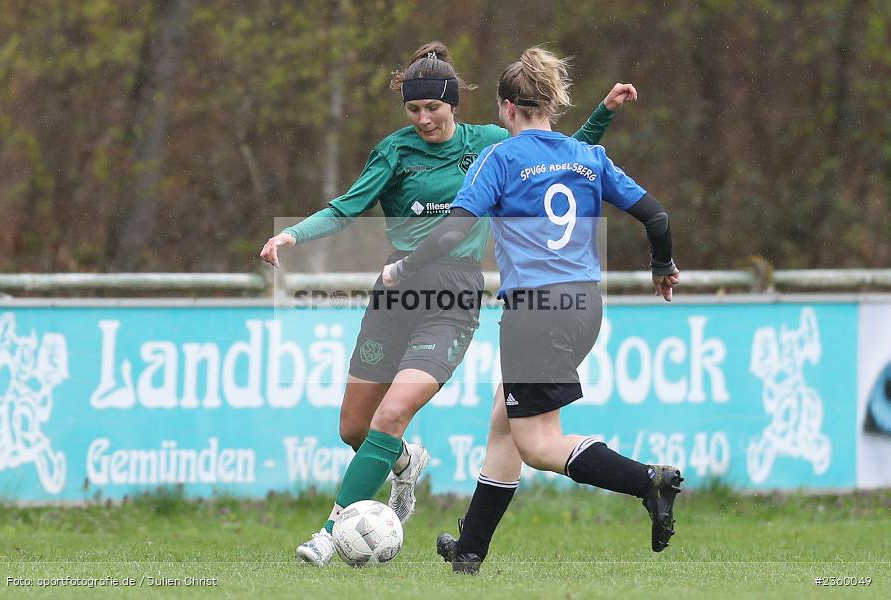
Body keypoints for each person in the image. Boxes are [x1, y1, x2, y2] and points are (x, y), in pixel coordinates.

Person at [259, 40, 637, 566]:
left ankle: (329, 532)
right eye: (414, 110)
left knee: (392, 414)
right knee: (354, 429)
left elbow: (561, 159)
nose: (424, 119)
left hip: (452, 297)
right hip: (394, 296)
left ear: (454, 104)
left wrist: (602, 114)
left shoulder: (488, 143)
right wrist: (291, 238)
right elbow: (346, 208)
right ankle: (406, 462)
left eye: (432, 108)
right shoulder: (394, 151)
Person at [382, 46, 682, 574]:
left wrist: (405, 266)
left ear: (505, 108)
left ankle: (648, 481)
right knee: (506, 419)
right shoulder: (586, 156)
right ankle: (470, 548)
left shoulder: (500, 159)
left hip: (533, 311)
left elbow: (454, 230)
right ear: (549, 103)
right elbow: (656, 218)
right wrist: (662, 266)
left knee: (539, 443)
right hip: (583, 306)